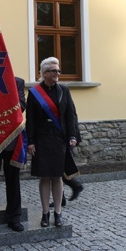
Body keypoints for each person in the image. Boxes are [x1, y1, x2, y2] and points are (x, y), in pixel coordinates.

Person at [26, 57, 78, 228]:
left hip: (59, 139)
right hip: (41, 139)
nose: (57, 74)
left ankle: (58, 213)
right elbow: (30, 119)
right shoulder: (34, 93)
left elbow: (70, 115)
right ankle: (45, 213)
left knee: (57, 176)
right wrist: (30, 141)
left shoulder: (64, 90)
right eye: (54, 71)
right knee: (44, 177)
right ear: (45, 73)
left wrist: (72, 136)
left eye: (58, 71)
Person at [0, 76, 27, 235]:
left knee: (13, 181)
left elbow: (21, 105)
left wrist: (3, 102)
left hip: (11, 140)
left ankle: (14, 217)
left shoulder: (17, 82)